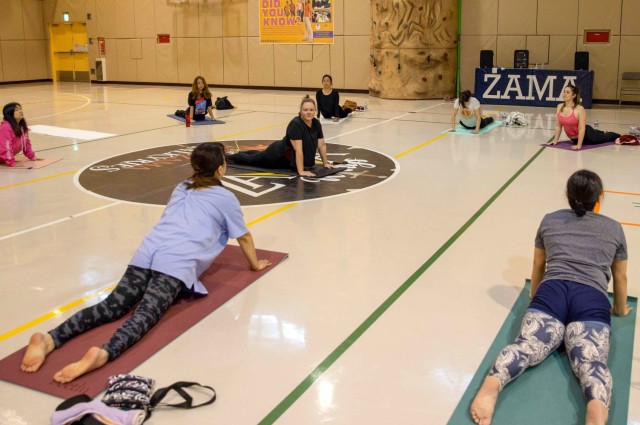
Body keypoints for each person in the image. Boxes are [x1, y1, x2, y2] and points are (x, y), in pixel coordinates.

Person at [20, 142, 272, 383]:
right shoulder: (225, 197)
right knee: (146, 313)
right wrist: (254, 265)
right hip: (174, 263)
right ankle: (105, 352)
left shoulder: (182, 186)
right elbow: (244, 237)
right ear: (220, 169)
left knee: (111, 306)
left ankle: (50, 339)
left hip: (147, 252)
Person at [470, 169, 631, 425]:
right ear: (599, 197)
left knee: (526, 346)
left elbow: (538, 264)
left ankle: (491, 386)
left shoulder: (550, 220)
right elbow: (620, 278)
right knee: (590, 361)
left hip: (552, 292)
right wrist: (620, 309)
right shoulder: (614, 228)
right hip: (591, 298)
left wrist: (536, 295)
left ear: (567, 195)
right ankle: (596, 408)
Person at [227, 96, 334, 177]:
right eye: (305, 110)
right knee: (252, 160)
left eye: (311, 110)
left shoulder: (316, 123)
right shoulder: (296, 124)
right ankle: (228, 157)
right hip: (277, 155)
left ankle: (240, 153)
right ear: (300, 111)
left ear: (315, 110)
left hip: (285, 157)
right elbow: (298, 150)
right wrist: (301, 171)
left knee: (257, 155)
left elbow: (322, 145)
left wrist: (325, 163)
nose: (308, 112)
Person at [549, 84, 620, 150]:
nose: (564, 94)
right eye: (564, 91)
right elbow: (558, 126)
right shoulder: (559, 106)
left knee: (606, 137)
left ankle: (619, 135)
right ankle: (602, 131)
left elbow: (582, 129)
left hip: (588, 135)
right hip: (574, 138)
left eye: (567, 92)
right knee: (598, 133)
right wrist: (555, 140)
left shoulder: (580, 109)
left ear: (573, 95)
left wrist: (579, 145)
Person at [1, 102, 40, 167]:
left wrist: (32, 156)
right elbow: (6, 147)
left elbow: (26, 142)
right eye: (16, 110)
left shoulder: (22, 126)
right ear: (9, 114)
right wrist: (11, 163)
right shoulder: (5, 127)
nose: (20, 111)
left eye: (20, 109)